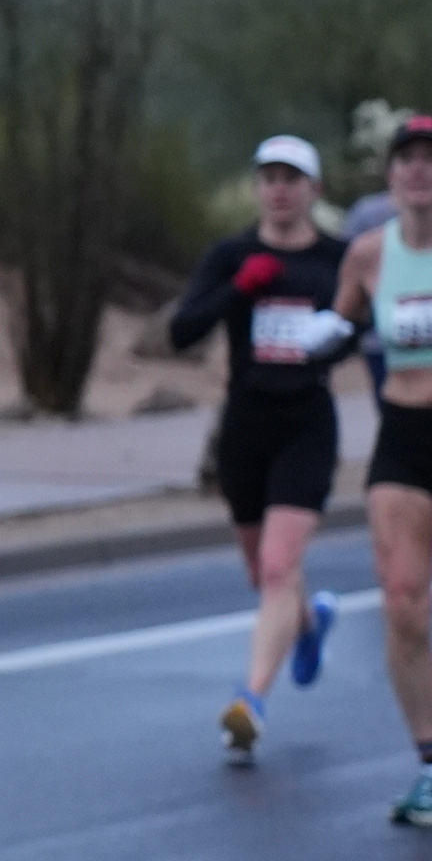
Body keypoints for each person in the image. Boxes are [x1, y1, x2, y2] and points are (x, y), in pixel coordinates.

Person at [165, 135, 356, 759]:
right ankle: (309, 623)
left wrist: (334, 336)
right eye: (269, 179)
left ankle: (250, 701)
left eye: (291, 180)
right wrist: (239, 290)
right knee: (263, 573)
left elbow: (366, 324)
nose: (279, 190)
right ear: (257, 188)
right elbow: (181, 331)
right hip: (245, 426)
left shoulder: (338, 258)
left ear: (313, 190)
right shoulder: (232, 255)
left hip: (307, 424)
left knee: (278, 566)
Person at [331, 111, 432, 827]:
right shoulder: (369, 253)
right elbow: (341, 325)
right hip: (404, 437)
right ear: (391, 175)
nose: (419, 171)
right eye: (407, 159)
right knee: (403, 600)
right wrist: (322, 335)